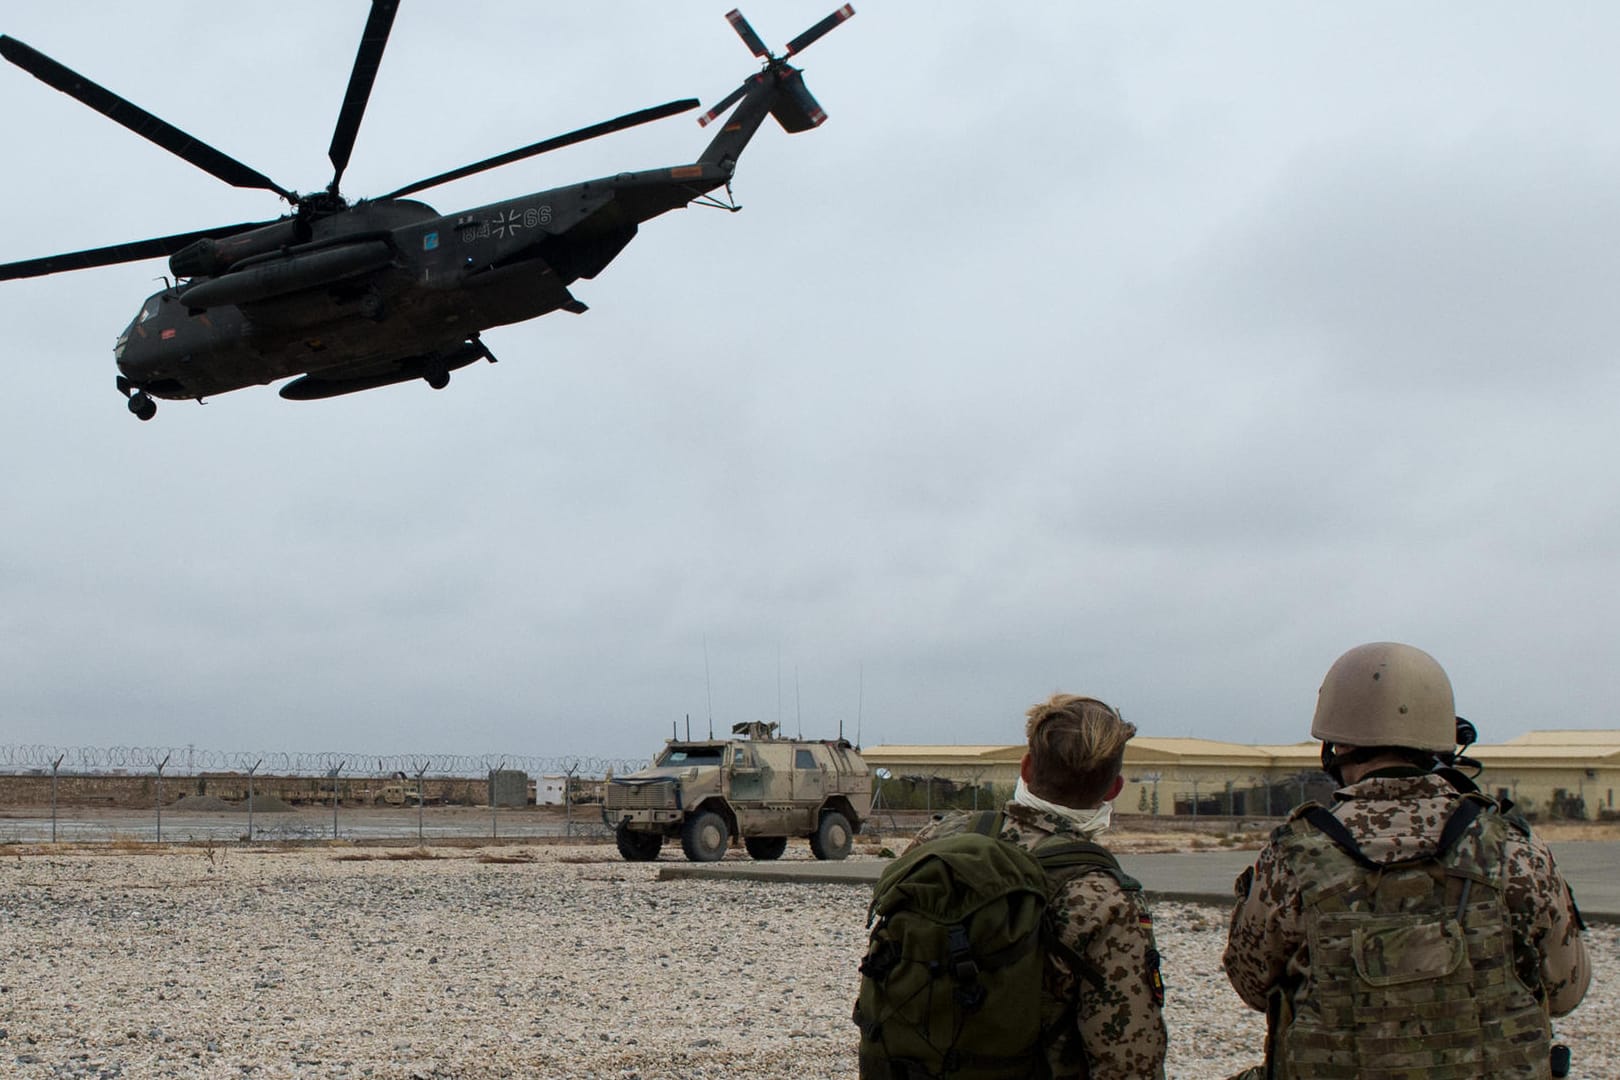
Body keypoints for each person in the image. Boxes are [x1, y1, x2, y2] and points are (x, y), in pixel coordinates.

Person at [1224, 642, 1590, 1079]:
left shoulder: (1293, 856)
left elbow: (1251, 984)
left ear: (1335, 744)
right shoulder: (1513, 848)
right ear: (1441, 736)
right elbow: (1567, 991)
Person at [891, 693, 1168, 1079]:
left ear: (1025, 767)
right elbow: (1129, 1061)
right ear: (1114, 789)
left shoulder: (938, 839)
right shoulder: (1105, 898)